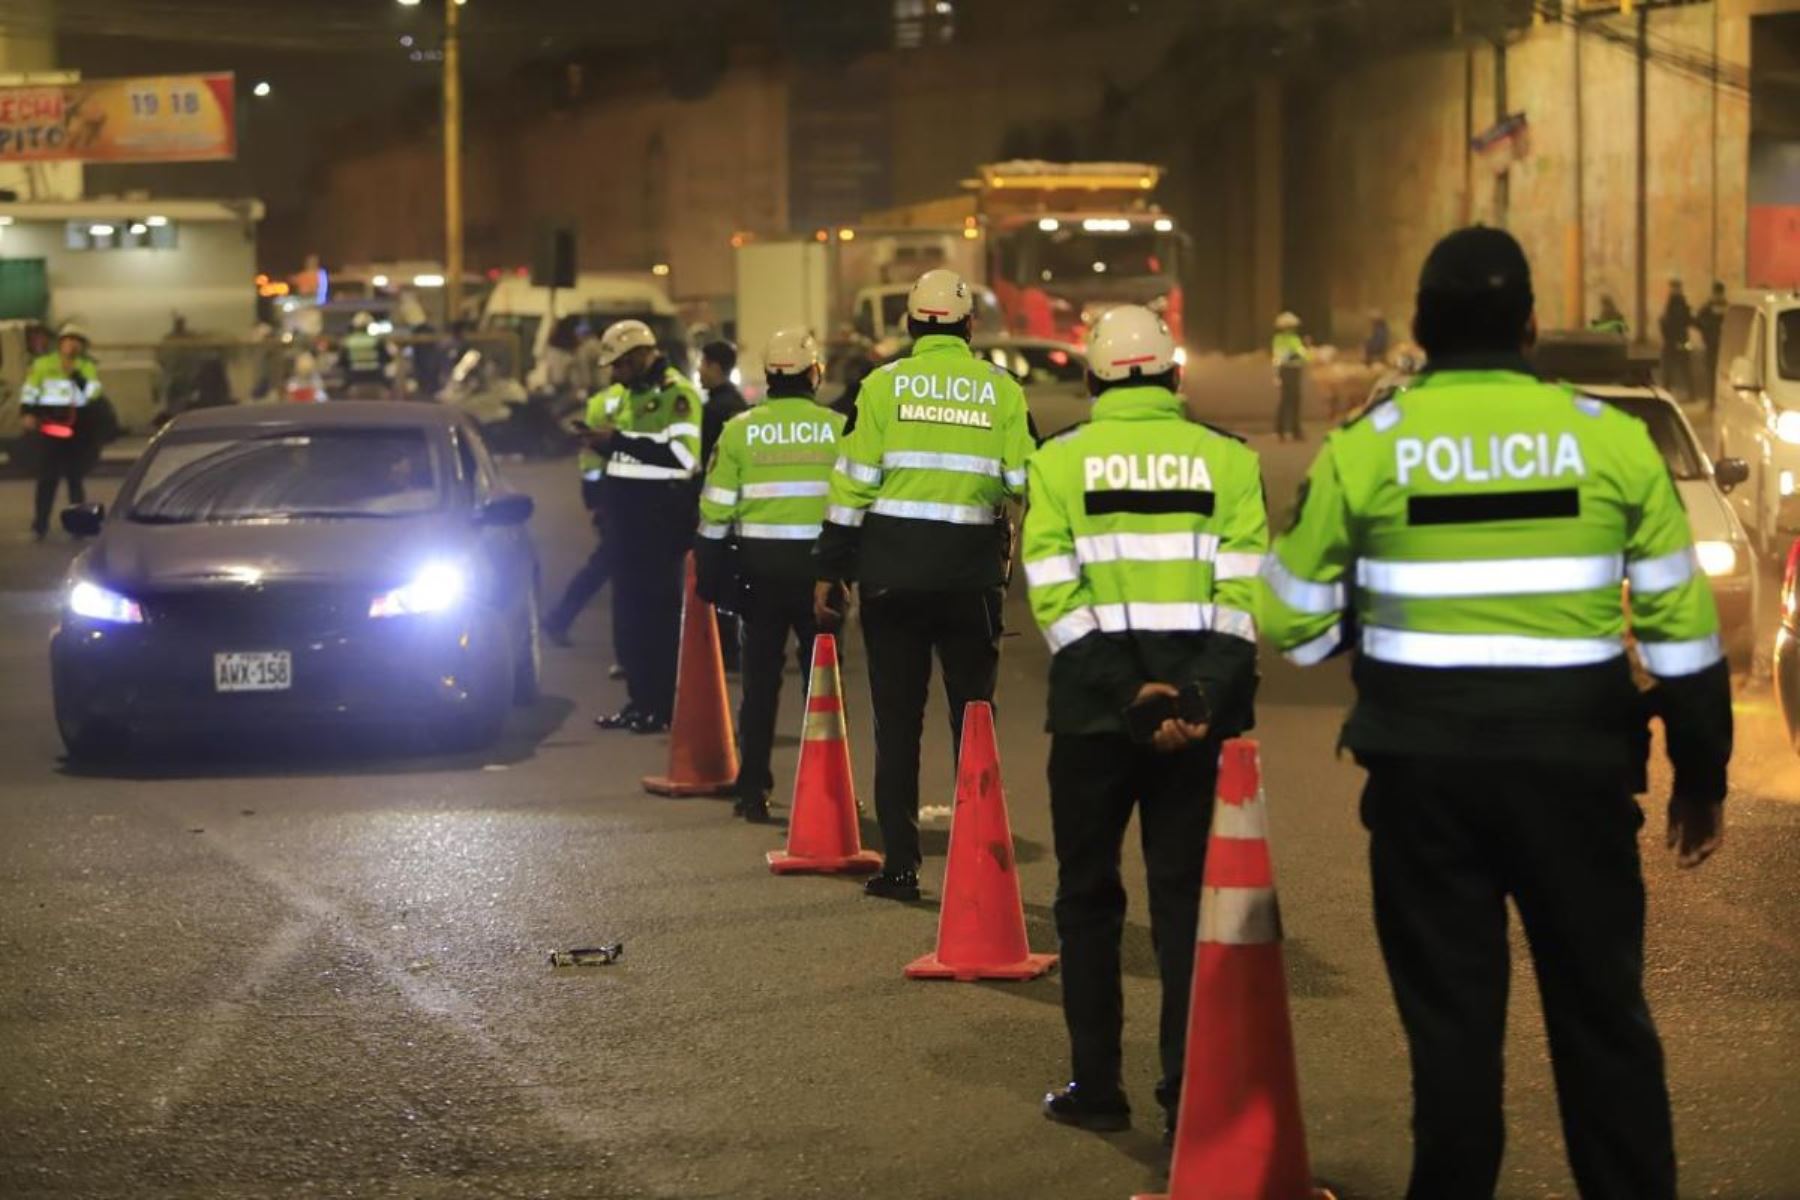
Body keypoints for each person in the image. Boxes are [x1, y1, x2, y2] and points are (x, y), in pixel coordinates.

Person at [1261, 226, 1731, 1199]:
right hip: (1578, 777)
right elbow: (1684, 629)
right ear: (1527, 327)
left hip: (1425, 789)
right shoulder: (1608, 440)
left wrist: (1372, 616)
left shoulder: (1367, 448)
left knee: (1455, 1044)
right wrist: (1703, 772)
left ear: (1423, 329)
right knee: (1605, 1027)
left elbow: (1292, 627)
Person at [1021, 305, 1266, 1143]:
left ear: (1090, 380)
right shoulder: (1229, 461)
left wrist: (1130, 693)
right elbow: (1242, 600)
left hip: (1096, 716)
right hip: (1198, 725)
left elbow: (1054, 594)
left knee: (1087, 901)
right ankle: (1187, 1088)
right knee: (1184, 907)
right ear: (1176, 377)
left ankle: (1098, 1086)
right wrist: (1194, 696)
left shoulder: (1058, 462)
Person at [814, 268, 1033, 900]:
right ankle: (980, 863)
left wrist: (831, 568)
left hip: (892, 579)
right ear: (969, 326)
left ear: (911, 324)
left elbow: (852, 481)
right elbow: (1024, 481)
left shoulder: (881, 387)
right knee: (973, 722)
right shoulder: (1001, 390)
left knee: (896, 723)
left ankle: (901, 867)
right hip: (969, 579)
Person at [695, 328, 844, 824]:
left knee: (759, 688)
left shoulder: (739, 430)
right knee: (821, 689)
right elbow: (856, 508)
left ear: (769, 377)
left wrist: (711, 580)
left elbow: (715, 511)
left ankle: (752, 789)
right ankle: (828, 789)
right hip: (823, 577)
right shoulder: (839, 429)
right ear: (813, 374)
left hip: (758, 574)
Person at [583, 319, 704, 734]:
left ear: (637, 357)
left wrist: (615, 442)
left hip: (660, 525)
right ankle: (638, 702)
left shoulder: (679, 395)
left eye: (619, 365)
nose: (614, 374)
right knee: (629, 618)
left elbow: (684, 459)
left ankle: (662, 706)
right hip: (626, 522)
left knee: (659, 620)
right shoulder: (628, 398)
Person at [543, 378, 627, 651]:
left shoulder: (599, 402)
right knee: (608, 564)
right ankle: (559, 619)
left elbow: (589, 457)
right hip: (624, 491)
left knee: (608, 564)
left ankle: (559, 619)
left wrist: (593, 499)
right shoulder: (638, 400)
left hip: (604, 491)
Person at [23, 323, 103, 542]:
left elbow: (93, 393)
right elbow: (31, 389)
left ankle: (78, 526)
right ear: (61, 343)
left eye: (77, 340)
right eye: (69, 339)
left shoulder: (86, 366)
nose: (72, 344)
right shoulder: (43, 364)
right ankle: (40, 525)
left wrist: (75, 374)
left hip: (77, 431)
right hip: (51, 428)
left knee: (75, 480)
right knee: (47, 480)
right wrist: (28, 412)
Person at [698, 339, 750, 672]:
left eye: (703, 364)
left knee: (719, 574)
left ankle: (726, 650)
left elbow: (707, 460)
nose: (700, 371)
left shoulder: (716, 408)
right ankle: (731, 647)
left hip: (721, 503)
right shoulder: (739, 405)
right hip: (741, 502)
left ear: (717, 367)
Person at [1271, 311, 1308, 441]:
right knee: (1291, 400)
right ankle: (1291, 429)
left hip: (1287, 370)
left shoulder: (1279, 339)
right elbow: (1299, 355)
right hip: (1290, 371)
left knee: (1288, 400)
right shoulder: (1290, 339)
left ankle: (1283, 429)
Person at [339, 311, 392, 399]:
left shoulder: (347, 341)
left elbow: (342, 362)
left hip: (353, 378)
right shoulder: (377, 341)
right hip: (376, 377)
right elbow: (387, 358)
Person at [1658, 278, 1693, 402]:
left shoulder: (1679, 302)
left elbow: (1681, 321)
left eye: (1675, 287)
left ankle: (1690, 393)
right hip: (1673, 341)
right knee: (1672, 368)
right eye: (1672, 287)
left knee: (1682, 368)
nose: (1673, 290)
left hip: (1677, 341)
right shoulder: (1674, 302)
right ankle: (1668, 392)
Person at [1696, 281, 1728, 408]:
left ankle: (1716, 401)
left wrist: (1706, 330)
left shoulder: (1715, 307)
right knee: (1714, 374)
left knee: (1719, 375)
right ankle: (1713, 401)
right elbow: (1698, 321)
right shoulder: (1711, 307)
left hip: (1720, 346)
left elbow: (1697, 320)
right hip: (1715, 346)